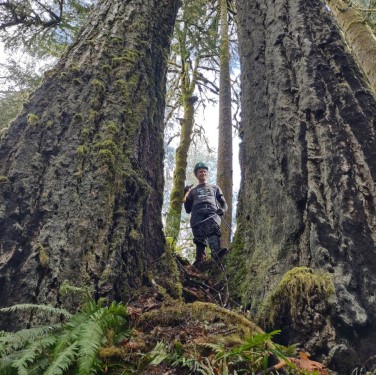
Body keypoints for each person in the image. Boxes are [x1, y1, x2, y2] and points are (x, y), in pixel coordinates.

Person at [183, 162, 228, 265]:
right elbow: (187, 209)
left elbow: (223, 202)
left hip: (212, 211)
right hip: (197, 213)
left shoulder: (214, 187)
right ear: (196, 174)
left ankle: (216, 253)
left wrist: (223, 210)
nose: (202, 173)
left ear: (207, 173)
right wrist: (185, 192)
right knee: (199, 237)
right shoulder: (192, 191)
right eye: (200, 172)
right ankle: (200, 260)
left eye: (204, 171)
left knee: (213, 229)